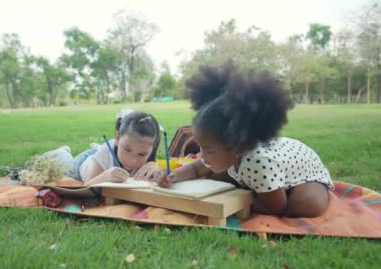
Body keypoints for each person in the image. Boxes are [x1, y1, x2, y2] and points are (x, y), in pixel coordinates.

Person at [157, 63, 334, 218]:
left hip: (303, 177)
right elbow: (196, 169)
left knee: (308, 205)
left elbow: (276, 207)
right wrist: (172, 176)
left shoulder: (258, 162)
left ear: (238, 148)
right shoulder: (225, 151)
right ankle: (261, 188)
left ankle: (269, 189)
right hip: (257, 171)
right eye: (201, 148)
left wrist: (234, 203)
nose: (202, 156)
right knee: (215, 172)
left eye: (208, 151)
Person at [44, 110, 164, 186]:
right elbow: (87, 185)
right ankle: (63, 151)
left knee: (103, 152)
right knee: (64, 163)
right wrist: (104, 177)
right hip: (81, 166)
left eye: (142, 154)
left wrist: (156, 169)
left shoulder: (146, 154)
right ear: (117, 138)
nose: (133, 160)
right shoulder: (106, 152)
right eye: (127, 150)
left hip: (104, 153)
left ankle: (96, 149)